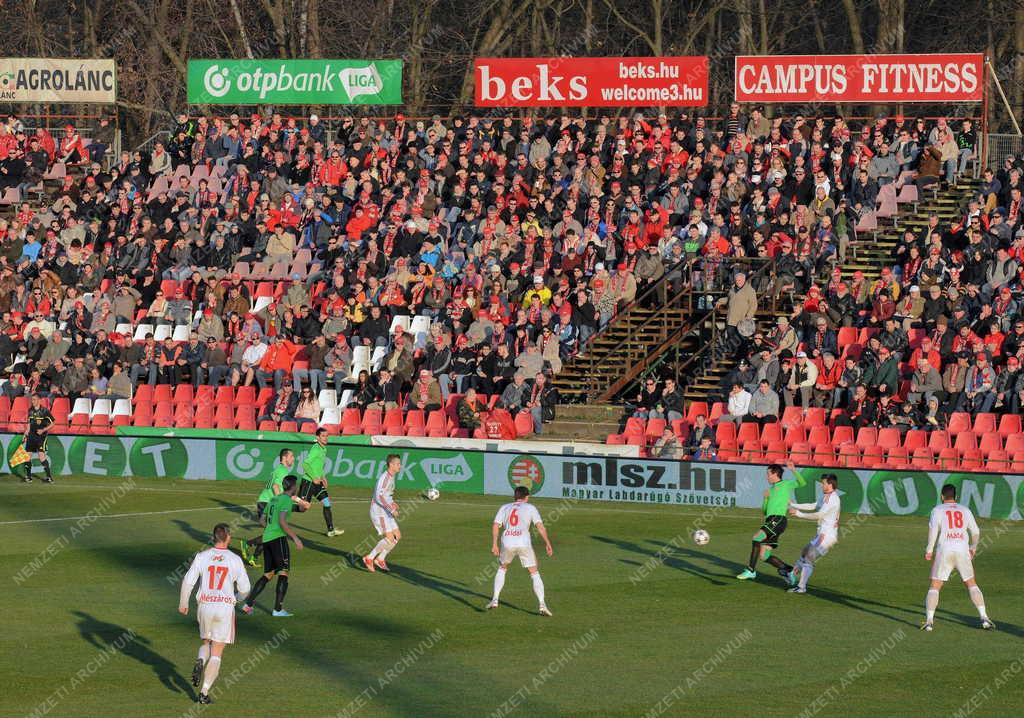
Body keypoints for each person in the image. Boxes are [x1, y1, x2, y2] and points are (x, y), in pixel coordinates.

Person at [178, 523, 251, 705]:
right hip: (224, 608)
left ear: (213, 537)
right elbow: (246, 589)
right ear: (227, 537)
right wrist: (236, 598)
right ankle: (203, 693)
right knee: (217, 651)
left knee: (206, 642)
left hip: (205, 605)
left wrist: (183, 602)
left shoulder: (202, 556)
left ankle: (201, 658)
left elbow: (188, 581)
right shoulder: (234, 559)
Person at [922, 483, 994, 632]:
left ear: (942, 496)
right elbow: (975, 531)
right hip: (962, 549)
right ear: (956, 497)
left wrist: (929, 550)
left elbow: (933, 530)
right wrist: (973, 547)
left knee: (935, 585)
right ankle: (984, 618)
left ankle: (929, 621)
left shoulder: (937, 510)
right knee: (971, 583)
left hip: (945, 549)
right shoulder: (965, 510)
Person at [241, 476, 304, 618]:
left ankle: (248, 604)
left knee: (268, 574)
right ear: (293, 487)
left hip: (267, 539)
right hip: (278, 539)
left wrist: (270, 528)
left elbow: (262, 520)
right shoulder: (286, 500)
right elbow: (282, 521)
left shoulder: (274, 499)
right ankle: (278, 609)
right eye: (297, 485)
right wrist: (295, 538)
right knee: (283, 572)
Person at [488, 485, 554, 616]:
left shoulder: (504, 507)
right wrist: (547, 542)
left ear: (515, 496)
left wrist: (494, 544)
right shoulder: (530, 508)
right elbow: (539, 526)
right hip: (523, 542)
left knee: (502, 568)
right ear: (527, 497)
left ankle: (495, 599)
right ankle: (542, 604)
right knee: (534, 572)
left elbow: (496, 525)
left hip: (507, 541)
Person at [240, 449, 309, 567]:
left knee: (271, 533)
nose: (294, 458)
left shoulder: (279, 470)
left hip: (267, 502)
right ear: (284, 457)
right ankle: (248, 544)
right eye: (291, 456)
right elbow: (276, 487)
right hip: (267, 502)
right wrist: (300, 501)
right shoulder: (282, 471)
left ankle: (253, 556)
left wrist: (300, 503)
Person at [736, 462, 805, 581]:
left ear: (775, 474)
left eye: (768, 474)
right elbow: (764, 511)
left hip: (778, 519)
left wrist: (793, 470)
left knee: (756, 538)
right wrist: (765, 498)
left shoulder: (785, 484)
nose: (766, 477)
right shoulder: (770, 490)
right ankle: (789, 570)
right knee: (764, 555)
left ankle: (751, 570)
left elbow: (802, 483)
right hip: (771, 520)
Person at [786, 468, 840, 594]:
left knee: (810, 556)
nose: (821, 485)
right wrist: (794, 505)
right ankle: (792, 574)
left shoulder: (832, 499)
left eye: (823, 483)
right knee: (805, 551)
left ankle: (801, 587)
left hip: (828, 536)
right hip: (822, 534)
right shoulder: (826, 496)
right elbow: (813, 505)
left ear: (830, 484)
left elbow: (819, 515)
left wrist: (799, 514)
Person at [363, 453, 402, 573]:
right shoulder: (385, 478)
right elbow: (378, 496)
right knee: (390, 538)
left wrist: (393, 503)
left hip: (385, 510)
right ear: (391, 464)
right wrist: (391, 509)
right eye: (398, 464)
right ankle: (369, 558)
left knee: (397, 536)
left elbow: (386, 495)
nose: (400, 466)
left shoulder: (391, 477)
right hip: (379, 511)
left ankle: (380, 559)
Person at [299, 428, 342, 537]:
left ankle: (331, 530)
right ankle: (278, 509)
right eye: (323, 436)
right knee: (303, 508)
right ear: (317, 437)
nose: (326, 438)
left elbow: (319, 465)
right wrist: (313, 477)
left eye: (327, 436)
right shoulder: (316, 449)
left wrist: (323, 477)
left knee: (327, 503)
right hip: (308, 482)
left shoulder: (324, 449)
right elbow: (305, 464)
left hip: (318, 482)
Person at [20, 394, 54, 483]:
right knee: (27, 456)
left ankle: (49, 477)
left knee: (41, 456)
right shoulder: (30, 410)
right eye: (32, 400)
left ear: (39, 400)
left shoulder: (45, 411)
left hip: (41, 437)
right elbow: (29, 424)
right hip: (31, 436)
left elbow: (53, 423)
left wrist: (43, 430)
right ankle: (28, 477)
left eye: (34, 400)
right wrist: (25, 434)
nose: (32, 401)